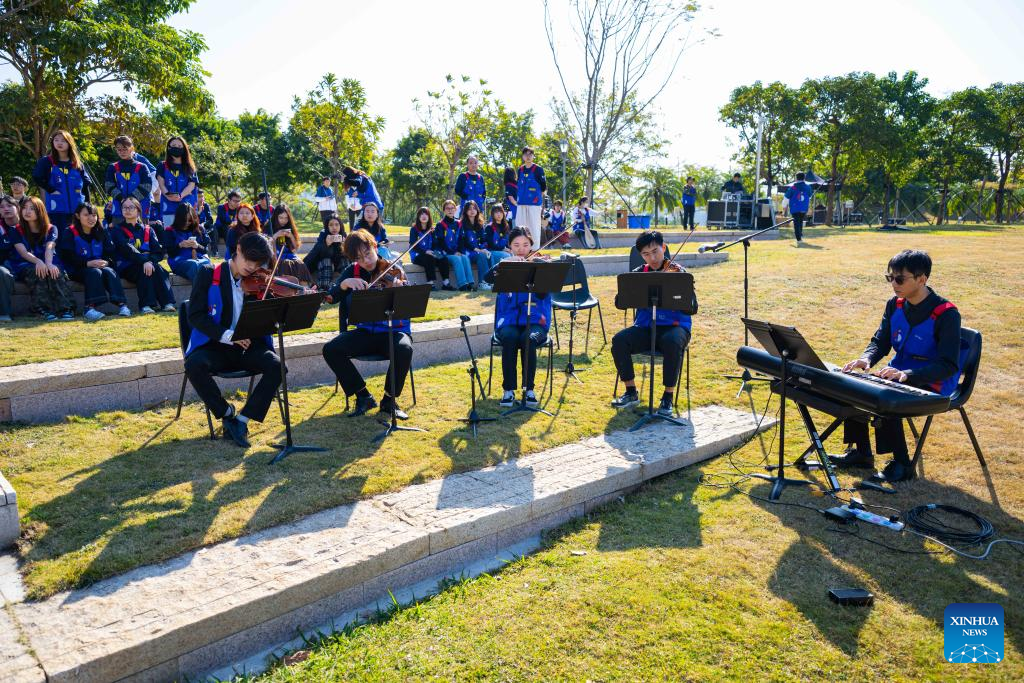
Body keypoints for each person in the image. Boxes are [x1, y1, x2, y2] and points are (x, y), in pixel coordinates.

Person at [833, 250, 962, 483]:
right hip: (896, 375)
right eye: (890, 277)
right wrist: (866, 359)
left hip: (932, 383)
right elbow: (880, 341)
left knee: (886, 399)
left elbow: (948, 365)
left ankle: (902, 464)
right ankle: (862, 453)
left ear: (922, 279)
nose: (893, 284)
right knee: (854, 387)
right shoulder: (895, 305)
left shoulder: (947, 314)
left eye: (900, 279)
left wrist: (907, 374)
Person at [184, 231, 283, 448]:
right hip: (216, 346)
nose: (252, 267)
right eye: (248, 260)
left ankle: (242, 420)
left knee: (277, 366)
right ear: (238, 249)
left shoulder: (259, 281)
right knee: (193, 365)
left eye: (257, 263)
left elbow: (269, 321)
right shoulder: (208, 273)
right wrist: (229, 336)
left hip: (248, 347)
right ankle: (226, 412)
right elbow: (195, 316)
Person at [321, 230, 413, 420]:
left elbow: (411, 300)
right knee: (331, 349)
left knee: (404, 349)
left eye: (368, 254)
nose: (366, 261)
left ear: (375, 247)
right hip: (366, 332)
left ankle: (389, 401)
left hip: (394, 332)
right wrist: (345, 284)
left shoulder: (394, 269)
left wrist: (401, 291)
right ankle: (363, 396)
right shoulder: (352, 271)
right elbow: (331, 297)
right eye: (359, 258)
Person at [611, 230, 691, 416]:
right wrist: (628, 291)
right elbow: (620, 303)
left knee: (672, 342)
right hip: (647, 328)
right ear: (641, 255)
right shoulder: (639, 274)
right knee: (619, 340)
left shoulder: (679, 272)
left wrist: (680, 293)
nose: (652, 258)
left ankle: (667, 396)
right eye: (646, 254)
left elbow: (691, 308)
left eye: (655, 251)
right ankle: (631, 391)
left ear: (664, 247)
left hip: (675, 327)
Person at [484, 227, 551, 408]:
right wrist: (504, 263)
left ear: (531, 245)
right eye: (516, 245)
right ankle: (509, 390)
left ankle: (529, 390)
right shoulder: (505, 265)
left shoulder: (539, 265)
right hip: (509, 320)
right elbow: (487, 278)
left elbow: (543, 295)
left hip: (536, 320)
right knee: (510, 337)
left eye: (525, 245)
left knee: (528, 339)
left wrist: (542, 270)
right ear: (510, 246)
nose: (521, 249)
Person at [60, 202, 130, 321]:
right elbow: (67, 256)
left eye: (94, 215)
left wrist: (106, 262)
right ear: (77, 216)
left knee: (109, 271)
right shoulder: (69, 232)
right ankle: (89, 309)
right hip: (77, 269)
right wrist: (87, 263)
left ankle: (122, 305)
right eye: (86, 215)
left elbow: (111, 253)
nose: (91, 218)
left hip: (100, 267)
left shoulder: (102, 232)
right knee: (94, 272)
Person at [11, 196, 76, 320]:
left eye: (32, 208)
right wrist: (38, 261)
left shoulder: (51, 228)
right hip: (26, 263)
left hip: (48, 259)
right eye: (24, 208)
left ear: (40, 211)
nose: (27, 211)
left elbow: (49, 247)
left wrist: (49, 263)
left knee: (55, 271)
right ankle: (42, 310)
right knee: (37, 271)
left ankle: (66, 309)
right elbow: (23, 252)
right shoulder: (15, 230)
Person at [112, 197, 175, 313]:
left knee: (159, 269)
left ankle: (167, 303)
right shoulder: (117, 230)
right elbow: (127, 250)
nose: (127, 210)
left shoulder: (148, 229)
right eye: (124, 208)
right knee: (144, 270)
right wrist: (145, 261)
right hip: (127, 266)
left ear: (138, 210)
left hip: (147, 263)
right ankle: (146, 305)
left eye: (131, 207)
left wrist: (149, 261)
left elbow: (158, 251)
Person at [32, 129, 93, 231]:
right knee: (59, 236)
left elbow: (86, 185)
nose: (59, 143)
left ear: (69, 143)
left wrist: (89, 206)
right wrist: (51, 190)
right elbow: (37, 177)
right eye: (56, 140)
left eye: (63, 140)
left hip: (78, 210)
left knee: (78, 236)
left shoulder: (77, 164)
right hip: (56, 209)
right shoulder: (46, 161)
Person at [105, 135, 154, 225]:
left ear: (131, 148)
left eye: (125, 149)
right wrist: (122, 199)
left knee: (142, 231)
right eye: (119, 149)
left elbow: (147, 186)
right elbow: (109, 186)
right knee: (118, 232)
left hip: (140, 208)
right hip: (119, 208)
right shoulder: (113, 167)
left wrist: (131, 200)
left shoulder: (142, 167)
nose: (122, 152)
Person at [156, 136, 199, 226]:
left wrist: (180, 196)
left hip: (187, 207)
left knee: (187, 232)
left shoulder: (190, 166)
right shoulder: (162, 165)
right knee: (169, 232)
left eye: (180, 146)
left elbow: (191, 185)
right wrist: (168, 196)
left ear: (184, 149)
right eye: (174, 145)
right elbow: (161, 184)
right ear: (168, 147)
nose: (177, 148)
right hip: (168, 207)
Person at [264, 203, 312, 284]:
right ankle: (289, 287)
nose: (284, 221)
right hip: (275, 257)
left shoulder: (289, 227)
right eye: (281, 217)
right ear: (276, 217)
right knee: (286, 264)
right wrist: (275, 235)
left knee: (299, 263)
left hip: (289, 255)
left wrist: (291, 236)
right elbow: (265, 245)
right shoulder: (269, 227)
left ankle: (304, 287)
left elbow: (295, 248)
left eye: (286, 218)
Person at [163, 203, 211, 283]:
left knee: (206, 264)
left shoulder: (199, 229)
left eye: (190, 220)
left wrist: (197, 246)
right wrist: (180, 245)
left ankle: (203, 290)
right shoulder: (170, 231)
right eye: (184, 220)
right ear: (179, 219)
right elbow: (170, 253)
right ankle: (201, 290)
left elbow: (206, 250)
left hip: (199, 258)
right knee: (194, 265)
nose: (187, 223)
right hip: (179, 261)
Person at [408, 206, 452, 291]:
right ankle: (430, 284)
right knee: (429, 258)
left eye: (426, 214)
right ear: (418, 217)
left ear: (429, 217)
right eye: (421, 214)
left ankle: (446, 283)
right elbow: (413, 245)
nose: (424, 216)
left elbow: (435, 244)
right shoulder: (414, 229)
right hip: (418, 255)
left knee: (443, 258)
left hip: (431, 252)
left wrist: (434, 252)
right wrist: (426, 251)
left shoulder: (432, 229)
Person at [303, 213, 349, 292]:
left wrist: (345, 247)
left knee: (345, 259)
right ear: (327, 227)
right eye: (331, 225)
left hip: (337, 267)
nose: (334, 227)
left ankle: (347, 286)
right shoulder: (323, 236)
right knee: (326, 260)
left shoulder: (343, 236)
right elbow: (314, 256)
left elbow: (350, 257)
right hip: (321, 267)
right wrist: (326, 245)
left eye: (337, 224)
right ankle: (324, 289)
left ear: (340, 226)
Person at [435, 199, 473, 291]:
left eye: (452, 208)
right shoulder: (440, 225)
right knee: (457, 259)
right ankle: (462, 284)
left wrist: (459, 251)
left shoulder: (459, 223)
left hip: (456, 252)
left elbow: (461, 240)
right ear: (444, 210)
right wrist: (453, 252)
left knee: (465, 257)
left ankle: (470, 283)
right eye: (447, 208)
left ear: (455, 210)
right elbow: (441, 243)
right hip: (445, 253)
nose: (450, 210)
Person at [458, 200, 493, 291]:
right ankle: (482, 283)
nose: (472, 211)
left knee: (489, 255)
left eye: (474, 208)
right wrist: (478, 250)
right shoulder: (461, 224)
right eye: (469, 209)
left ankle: (491, 282)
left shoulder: (480, 224)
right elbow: (464, 242)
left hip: (478, 250)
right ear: (465, 211)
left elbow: (483, 240)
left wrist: (483, 249)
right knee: (481, 256)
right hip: (467, 251)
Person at [515, 147, 547, 246]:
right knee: (520, 228)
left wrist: (540, 203)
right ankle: (520, 249)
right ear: (523, 156)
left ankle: (535, 249)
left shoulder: (538, 169)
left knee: (534, 227)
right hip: (521, 204)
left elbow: (543, 187)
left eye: (530, 154)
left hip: (534, 204)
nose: (528, 157)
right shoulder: (520, 170)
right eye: (526, 154)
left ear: (533, 156)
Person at [0, 196, 20, 322]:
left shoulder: (28, 224)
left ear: (17, 207)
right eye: (2, 207)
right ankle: (4, 313)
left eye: (9, 205)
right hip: (6, 266)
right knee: (1, 272)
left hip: (26, 264)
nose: (5, 209)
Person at [784, 172, 813, 244]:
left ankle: (799, 238)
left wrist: (784, 206)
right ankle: (800, 235)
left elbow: (786, 197)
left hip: (795, 207)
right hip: (804, 208)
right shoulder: (808, 187)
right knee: (800, 221)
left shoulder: (793, 187)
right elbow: (810, 196)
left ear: (796, 178)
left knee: (796, 223)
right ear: (804, 178)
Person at [484, 203, 513, 268]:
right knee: (507, 256)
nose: (499, 214)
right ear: (492, 214)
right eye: (496, 212)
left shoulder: (506, 226)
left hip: (504, 251)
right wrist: (503, 249)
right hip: (492, 252)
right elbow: (490, 244)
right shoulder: (489, 227)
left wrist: (510, 249)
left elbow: (508, 243)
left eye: (500, 212)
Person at [214, 190, 242, 256]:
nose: (237, 203)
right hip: (220, 229)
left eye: (238, 201)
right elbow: (223, 220)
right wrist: (234, 222)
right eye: (235, 201)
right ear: (229, 200)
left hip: (234, 228)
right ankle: (220, 252)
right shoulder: (221, 207)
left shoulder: (240, 209)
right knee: (227, 228)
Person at [195, 189, 215, 254]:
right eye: (199, 197)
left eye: (202, 196)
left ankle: (214, 251)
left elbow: (210, 220)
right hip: (195, 227)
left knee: (213, 228)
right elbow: (192, 220)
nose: (201, 199)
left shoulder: (206, 205)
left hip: (204, 226)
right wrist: (199, 212)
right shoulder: (192, 205)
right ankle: (202, 251)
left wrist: (203, 224)